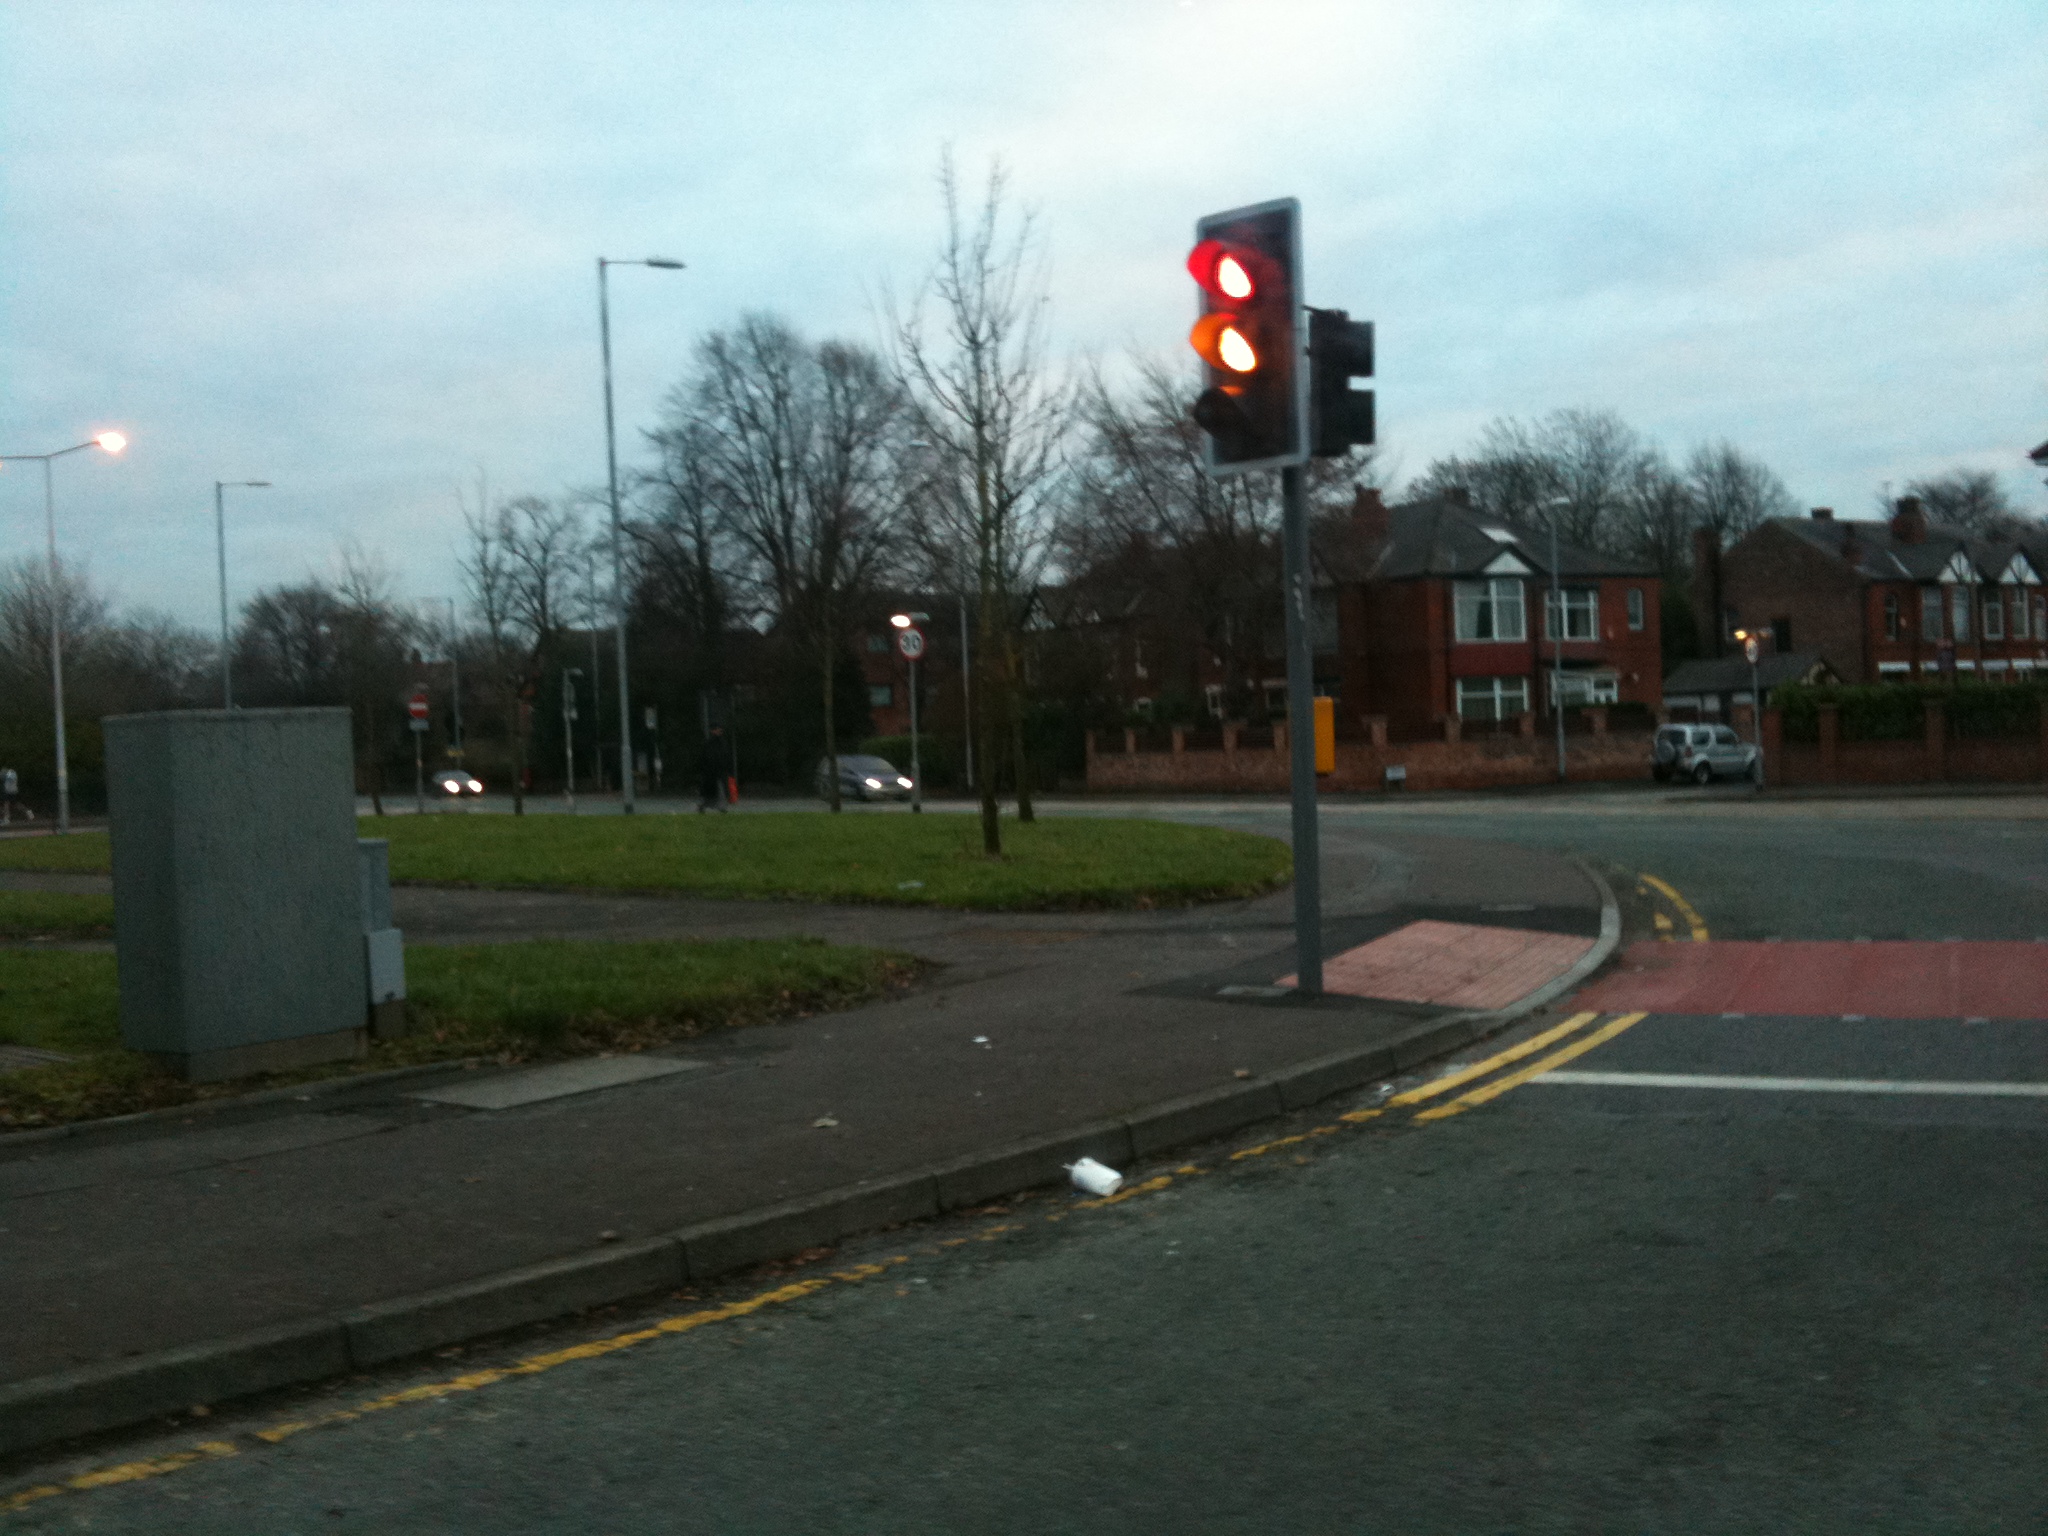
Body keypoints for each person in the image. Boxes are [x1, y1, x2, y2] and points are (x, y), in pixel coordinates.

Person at [698, 724, 732, 814]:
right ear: (713, 731)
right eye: (717, 729)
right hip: (712, 772)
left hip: (719, 771)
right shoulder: (710, 743)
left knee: (718, 790)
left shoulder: (721, 743)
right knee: (713, 792)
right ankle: (706, 806)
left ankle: (721, 807)